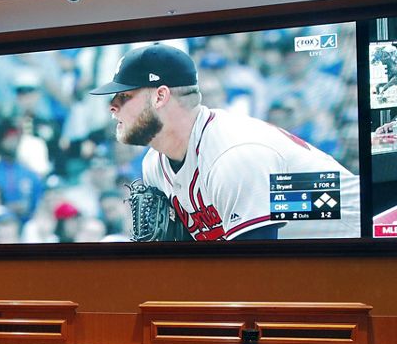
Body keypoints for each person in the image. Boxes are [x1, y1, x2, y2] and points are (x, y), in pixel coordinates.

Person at [92, 44, 360, 240]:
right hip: (311, 271)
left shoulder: (234, 153)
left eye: (124, 96)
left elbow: (256, 276)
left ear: (160, 97)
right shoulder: (155, 163)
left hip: (371, 249)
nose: (112, 106)